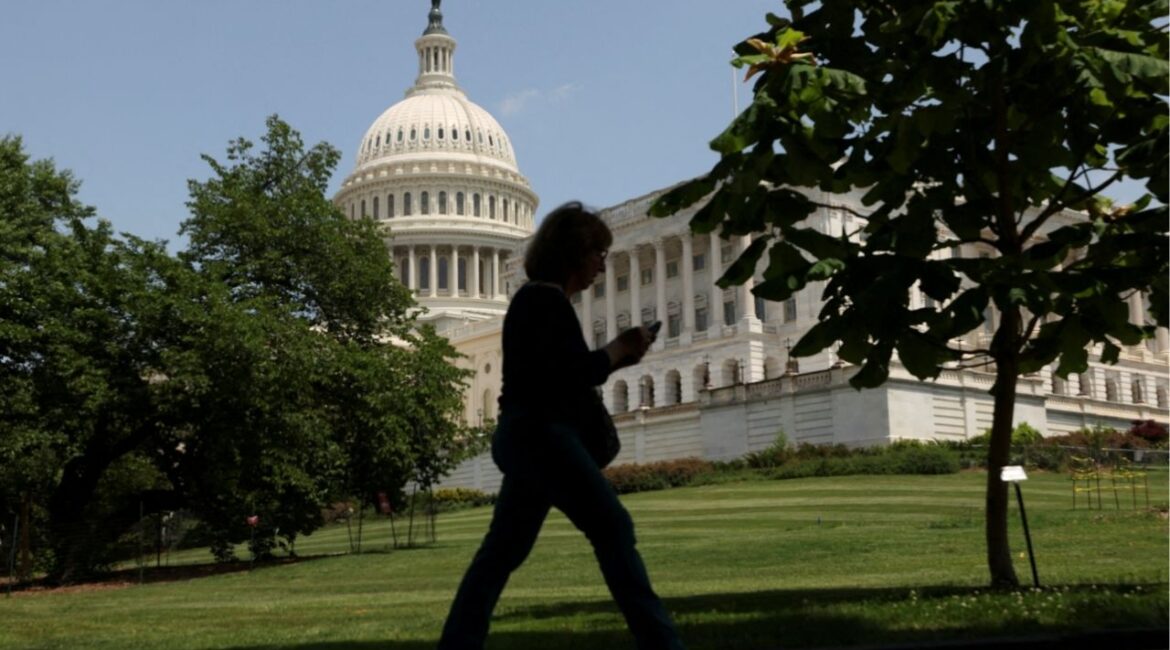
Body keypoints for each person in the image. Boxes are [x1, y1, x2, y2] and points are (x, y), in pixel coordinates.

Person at [437, 202, 685, 650]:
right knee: (613, 529)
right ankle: (662, 643)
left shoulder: (538, 301)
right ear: (572, 252)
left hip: (527, 437)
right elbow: (572, 375)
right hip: (542, 437)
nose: (601, 267)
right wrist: (617, 350)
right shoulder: (543, 300)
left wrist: (615, 357)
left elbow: (557, 374)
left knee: (501, 552)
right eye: (597, 254)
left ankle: (459, 642)